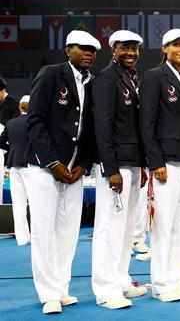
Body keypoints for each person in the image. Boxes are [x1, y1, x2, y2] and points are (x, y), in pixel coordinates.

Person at [26, 30, 100, 314]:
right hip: (46, 168)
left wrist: (83, 163)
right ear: (68, 49)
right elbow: (35, 120)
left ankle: (62, 287)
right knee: (45, 231)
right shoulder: (51, 74)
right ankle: (48, 294)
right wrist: (53, 163)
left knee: (68, 232)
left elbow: (90, 130)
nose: (89, 54)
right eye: (83, 49)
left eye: (93, 50)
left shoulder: (93, 83)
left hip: (75, 169)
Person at [139, 28, 180, 302]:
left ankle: (177, 279)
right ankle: (161, 283)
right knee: (163, 224)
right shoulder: (154, 77)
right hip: (166, 159)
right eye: (176, 45)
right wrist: (155, 160)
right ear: (164, 49)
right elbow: (147, 122)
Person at [91, 30, 148, 309]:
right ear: (113, 50)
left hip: (133, 163)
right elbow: (102, 127)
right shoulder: (105, 79)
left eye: (135, 49)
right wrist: (110, 168)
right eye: (125, 48)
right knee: (110, 227)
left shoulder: (133, 78)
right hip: (116, 166)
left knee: (128, 228)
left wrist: (143, 164)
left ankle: (121, 278)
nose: (131, 53)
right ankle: (105, 289)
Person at [0, 95, 30, 246]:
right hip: (31, 167)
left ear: (20, 107)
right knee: (37, 203)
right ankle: (36, 236)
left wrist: (12, 150)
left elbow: (1, 142)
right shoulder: (34, 123)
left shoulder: (10, 123)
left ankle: (22, 238)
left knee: (18, 204)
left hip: (13, 166)